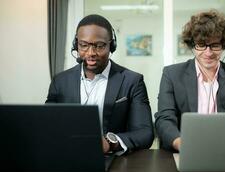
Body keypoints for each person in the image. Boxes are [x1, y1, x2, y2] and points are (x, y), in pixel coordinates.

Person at [46, 14, 154, 154]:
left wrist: (111, 143)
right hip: (68, 155)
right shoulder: (60, 81)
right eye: (83, 45)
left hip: (113, 162)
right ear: (76, 45)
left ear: (111, 45)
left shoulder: (132, 81)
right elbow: (47, 126)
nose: (91, 53)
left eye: (99, 46)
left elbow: (145, 133)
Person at [155, 10, 225, 151]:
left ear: (224, 45)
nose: (208, 53)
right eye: (202, 45)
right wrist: (181, 144)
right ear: (193, 45)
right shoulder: (172, 74)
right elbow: (164, 119)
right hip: (182, 151)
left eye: (215, 45)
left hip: (223, 150)